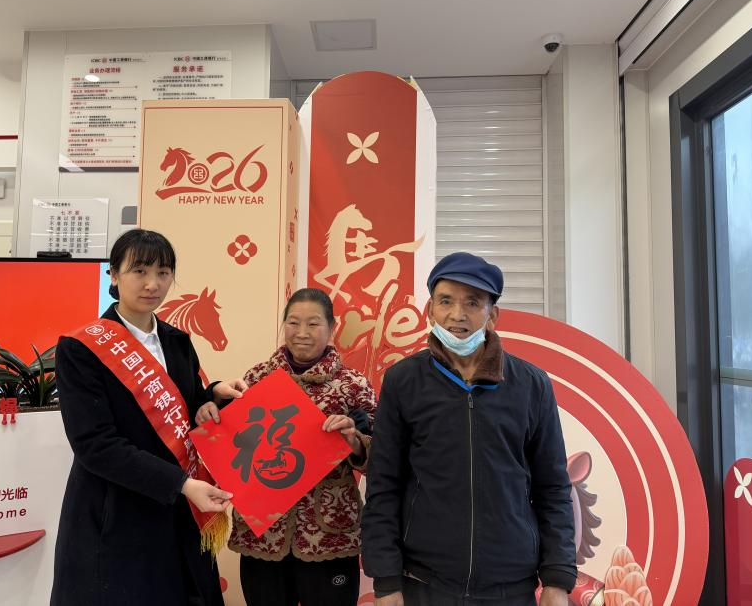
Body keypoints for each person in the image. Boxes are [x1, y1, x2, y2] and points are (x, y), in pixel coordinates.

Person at [361, 252, 577, 606]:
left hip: (511, 585)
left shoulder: (531, 385)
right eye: (446, 301)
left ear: (492, 315)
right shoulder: (403, 381)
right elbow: (384, 485)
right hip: (425, 582)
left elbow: (553, 488)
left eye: (472, 303)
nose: (457, 314)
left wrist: (557, 579)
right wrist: (385, 582)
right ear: (430, 310)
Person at [51, 228, 247, 606]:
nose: (152, 284)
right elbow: (95, 445)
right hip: (115, 512)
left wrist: (213, 396)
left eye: (163, 272)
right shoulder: (80, 349)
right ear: (113, 274)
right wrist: (182, 484)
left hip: (177, 513)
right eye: (139, 271)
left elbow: (187, 409)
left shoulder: (177, 341)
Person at [196, 288, 377, 606]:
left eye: (313, 324)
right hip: (263, 535)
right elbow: (233, 439)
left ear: (332, 328)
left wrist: (355, 442)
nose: (302, 333)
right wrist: (209, 410)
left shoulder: (353, 384)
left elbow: (380, 458)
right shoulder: (256, 378)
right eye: (293, 322)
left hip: (329, 535)